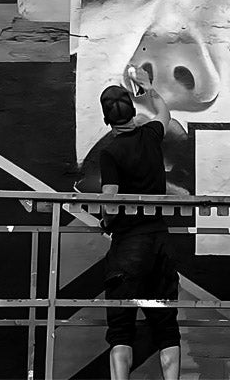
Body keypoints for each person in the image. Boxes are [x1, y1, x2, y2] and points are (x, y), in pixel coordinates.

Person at [98, 73, 183, 380]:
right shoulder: (150, 135)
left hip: (128, 247)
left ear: (108, 120)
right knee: (166, 329)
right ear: (132, 112)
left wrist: (106, 221)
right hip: (159, 241)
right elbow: (165, 114)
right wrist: (149, 90)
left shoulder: (110, 153)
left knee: (121, 330)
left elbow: (109, 201)